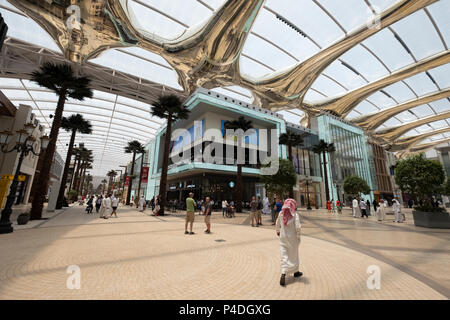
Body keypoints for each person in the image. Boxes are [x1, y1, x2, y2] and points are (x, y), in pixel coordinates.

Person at [276, 198, 302, 286]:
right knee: (294, 255)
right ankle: (296, 272)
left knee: (284, 255)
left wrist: (277, 231)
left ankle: (283, 273)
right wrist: (298, 237)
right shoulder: (295, 215)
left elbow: (277, 223)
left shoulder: (281, 213)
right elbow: (298, 227)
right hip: (293, 238)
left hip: (283, 237)